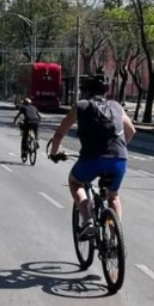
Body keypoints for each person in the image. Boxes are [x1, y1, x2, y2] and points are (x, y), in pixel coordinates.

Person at [48, 73, 135, 237]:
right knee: (113, 196)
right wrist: (118, 150)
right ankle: (116, 238)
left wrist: (54, 154)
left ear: (85, 90)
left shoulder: (80, 106)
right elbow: (131, 131)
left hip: (91, 159)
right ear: (105, 91)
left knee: (75, 182)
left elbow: (59, 134)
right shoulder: (116, 106)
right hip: (119, 158)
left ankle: (87, 219)